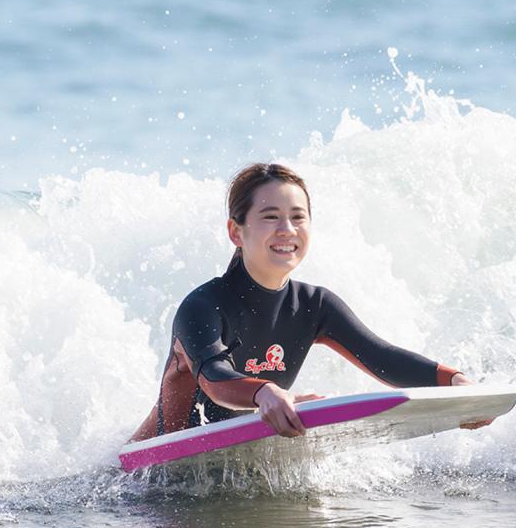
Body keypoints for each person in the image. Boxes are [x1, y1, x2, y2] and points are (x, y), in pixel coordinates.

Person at [130, 162, 480, 443]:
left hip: (230, 456)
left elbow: (382, 357)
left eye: (298, 217)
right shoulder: (203, 306)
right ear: (236, 231)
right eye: (270, 217)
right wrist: (266, 392)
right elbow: (213, 378)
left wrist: (454, 383)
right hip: (146, 481)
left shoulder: (314, 305)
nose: (287, 229)